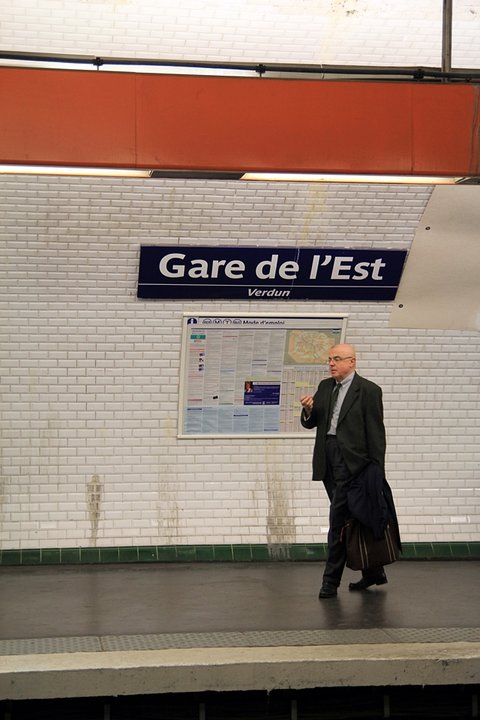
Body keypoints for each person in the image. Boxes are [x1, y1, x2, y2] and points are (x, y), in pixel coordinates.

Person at [300, 343, 388, 598]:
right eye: (329, 359)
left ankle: (330, 582)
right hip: (328, 459)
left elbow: (376, 434)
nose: (331, 363)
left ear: (352, 362)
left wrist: (377, 473)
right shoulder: (325, 387)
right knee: (354, 517)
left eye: (337, 359)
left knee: (338, 520)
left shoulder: (369, 390)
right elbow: (312, 423)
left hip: (354, 465)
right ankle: (373, 572)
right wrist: (308, 410)